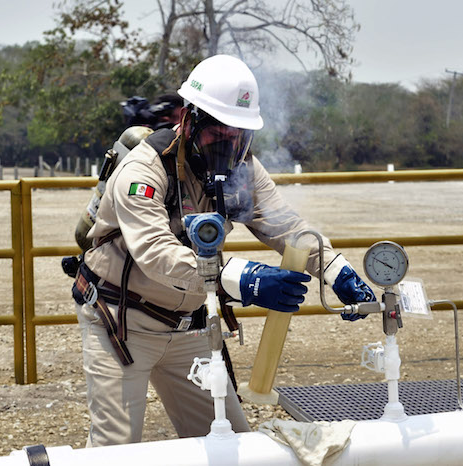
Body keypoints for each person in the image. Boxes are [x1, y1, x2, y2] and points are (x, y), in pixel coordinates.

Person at [72, 54, 376, 447]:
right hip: (122, 323)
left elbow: (287, 227)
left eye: (238, 132)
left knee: (231, 443)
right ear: (187, 119)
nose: (228, 141)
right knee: (117, 451)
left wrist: (336, 270)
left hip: (188, 324)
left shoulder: (243, 169)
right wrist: (241, 278)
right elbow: (156, 252)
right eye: (217, 129)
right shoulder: (143, 171)